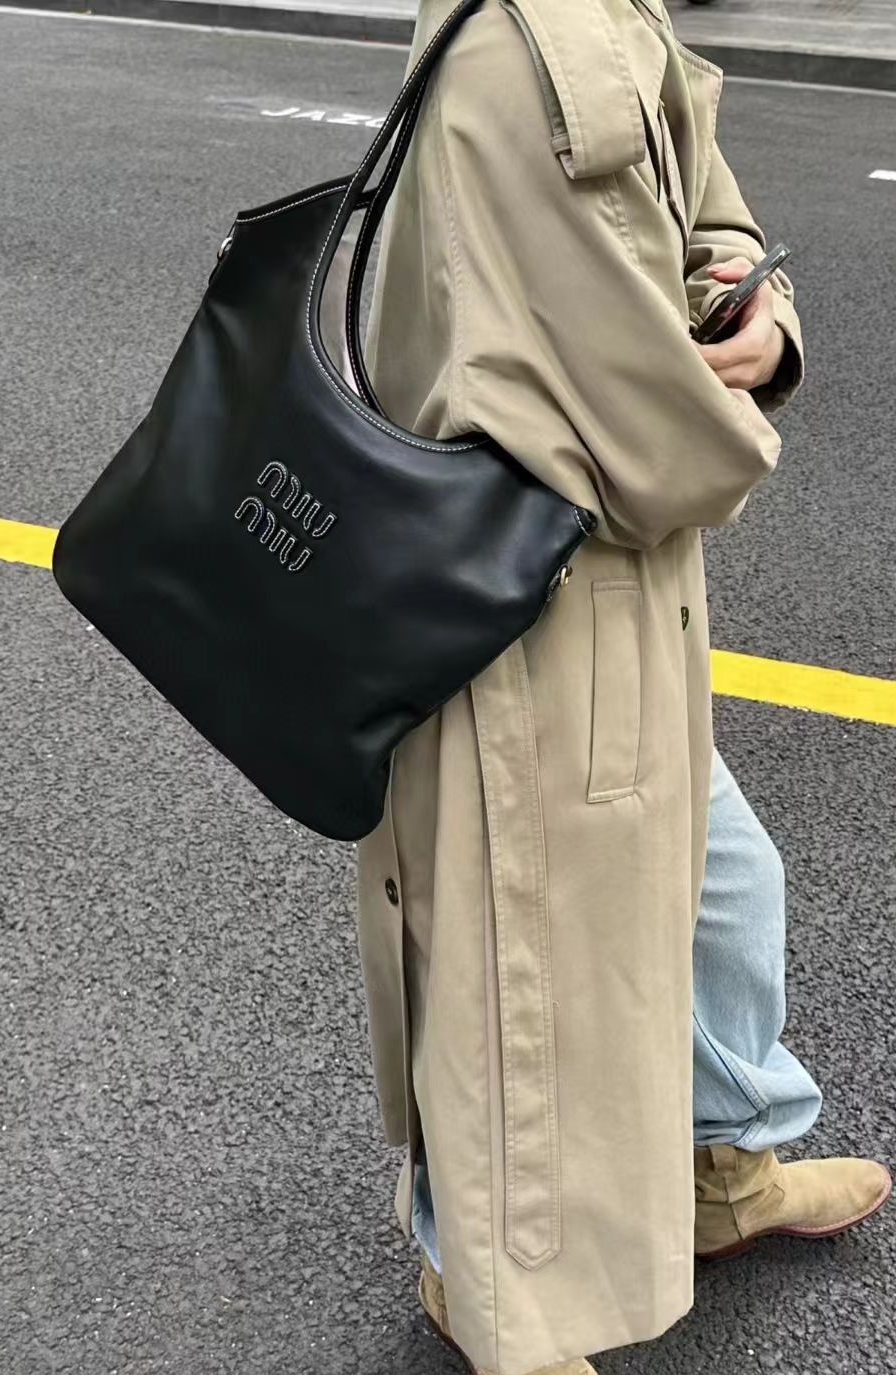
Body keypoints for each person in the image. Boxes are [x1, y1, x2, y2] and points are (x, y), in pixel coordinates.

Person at [354, 1, 892, 1372]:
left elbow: (703, 199)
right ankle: (488, 1293)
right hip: (528, 573)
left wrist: (757, 306)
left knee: (716, 885)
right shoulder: (529, 44)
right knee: (514, 946)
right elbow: (616, 397)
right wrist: (743, 396)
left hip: (604, 572)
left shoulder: (603, 13)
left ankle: (724, 1161)